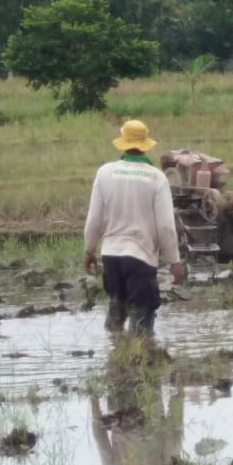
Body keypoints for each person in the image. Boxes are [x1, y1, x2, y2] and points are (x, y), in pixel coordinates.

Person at [83, 119, 184, 336]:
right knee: (141, 318)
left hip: (111, 255)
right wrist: (174, 261)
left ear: (122, 143)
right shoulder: (157, 178)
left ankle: (115, 357)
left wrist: (89, 250)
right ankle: (139, 362)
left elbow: (94, 218)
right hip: (140, 258)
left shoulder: (105, 173)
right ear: (146, 144)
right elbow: (165, 226)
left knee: (116, 309)